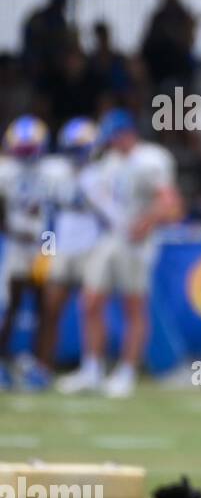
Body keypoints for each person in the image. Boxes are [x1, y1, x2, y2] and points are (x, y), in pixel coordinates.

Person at [57, 108, 182, 398]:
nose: (111, 144)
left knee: (134, 306)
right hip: (110, 237)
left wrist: (147, 222)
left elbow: (172, 205)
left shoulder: (151, 160)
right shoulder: (110, 162)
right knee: (90, 301)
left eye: (114, 138)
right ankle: (92, 369)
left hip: (136, 242)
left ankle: (127, 372)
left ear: (127, 135)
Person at [36, 117, 103, 380]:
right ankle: (43, 367)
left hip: (92, 248)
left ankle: (92, 367)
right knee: (51, 309)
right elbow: (49, 215)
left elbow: (108, 217)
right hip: (63, 248)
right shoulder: (55, 173)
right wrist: (47, 250)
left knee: (91, 309)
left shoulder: (100, 174)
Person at [0, 116, 55, 390]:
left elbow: (54, 211)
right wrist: (9, 228)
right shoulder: (6, 171)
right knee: (9, 304)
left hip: (45, 241)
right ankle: (2, 364)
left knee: (46, 304)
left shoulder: (53, 171)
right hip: (15, 242)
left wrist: (48, 248)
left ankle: (41, 366)